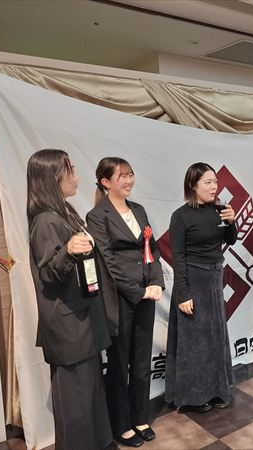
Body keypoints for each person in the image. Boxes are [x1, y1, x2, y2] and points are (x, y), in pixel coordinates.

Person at [26, 149, 112, 450]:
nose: (76, 177)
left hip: (81, 322)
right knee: (77, 406)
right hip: (69, 328)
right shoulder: (46, 221)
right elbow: (48, 274)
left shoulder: (64, 213)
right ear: (53, 177)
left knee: (89, 399)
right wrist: (68, 252)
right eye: (70, 170)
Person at [87, 157, 165, 448]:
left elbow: (152, 249)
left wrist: (155, 282)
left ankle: (140, 416)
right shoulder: (97, 216)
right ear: (106, 182)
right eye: (122, 176)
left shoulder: (139, 210)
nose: (129, 180)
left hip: (148, 295)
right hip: (119, 298)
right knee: (119, 362)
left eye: (131, 174)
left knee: (142, 359)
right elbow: (107, 263)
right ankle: (120, 423)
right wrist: (137, 291)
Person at [165, 162, 237, 413]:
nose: (214, 186)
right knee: (195, 342)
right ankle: (195, 396)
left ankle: (218, 390)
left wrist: (232, 222)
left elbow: (230, 240)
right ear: (192, 185)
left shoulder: (220, 210)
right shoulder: (180, 216)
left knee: (215, 337)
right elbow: (177, 258)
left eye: (215, 181)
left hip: (214, 279)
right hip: (193, 281)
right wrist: (183, 294)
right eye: (208, 182)